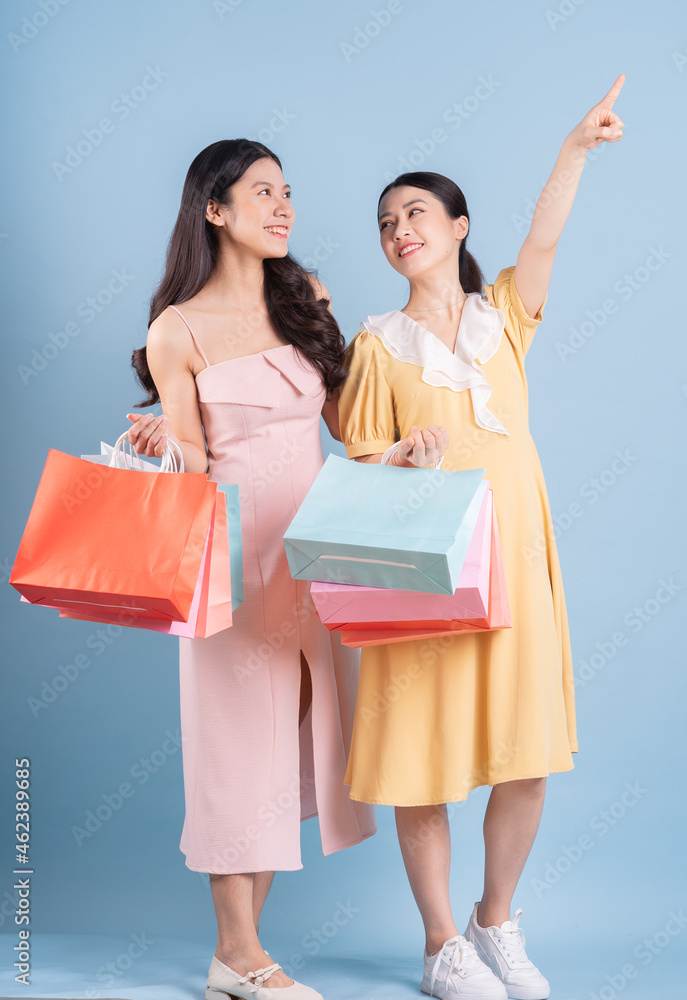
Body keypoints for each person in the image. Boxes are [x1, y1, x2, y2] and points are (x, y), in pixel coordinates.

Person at [337, 76, 625, 1000]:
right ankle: (437, 944)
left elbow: (544, 234)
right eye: (385, 223)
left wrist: (572, 150)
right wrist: (401, 456)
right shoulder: (377, 344)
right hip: (425, 568)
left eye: (413, 212)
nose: (398, 231)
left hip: (515, 558)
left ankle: (493, 919)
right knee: (423, 751)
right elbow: (355, 455)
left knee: (527, 751)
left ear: (457, 225)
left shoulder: (503, 312)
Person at [127, 138, 376, 1000]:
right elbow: (193, 465)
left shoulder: (305, 298)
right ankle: (239, 956)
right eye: (262, 192)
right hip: (232, 561)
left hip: (313, 556)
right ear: (214, 209)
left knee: (293, 749)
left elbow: (345, 423)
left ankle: (239, 953)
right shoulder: (177, 329)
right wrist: (164, 441)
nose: (283, 207)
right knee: (238, 754)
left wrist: (404, 451)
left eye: (287, 192)